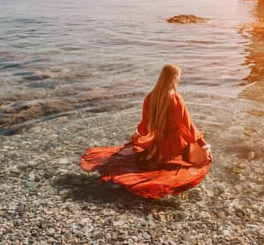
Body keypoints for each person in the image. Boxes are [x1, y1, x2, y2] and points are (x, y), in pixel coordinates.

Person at [80, 63, 212, 199]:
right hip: (175, 144)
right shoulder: (176, 98)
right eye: (178, 77)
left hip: (158, 142)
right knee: (193, 164)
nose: (179, 80)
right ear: (173, 78)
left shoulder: (151, 97)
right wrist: (203, 144)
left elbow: (145, 126)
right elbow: (187, 126)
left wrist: (137, 135)